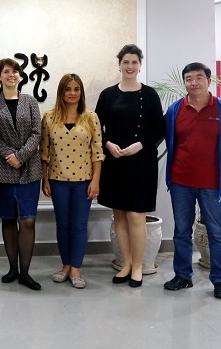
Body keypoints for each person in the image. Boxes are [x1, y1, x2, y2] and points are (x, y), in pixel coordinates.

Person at [163, 62, 221, 300]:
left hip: (212, 183)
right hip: (180, 181)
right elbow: (169, 139)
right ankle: (182, 276)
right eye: (189, 78)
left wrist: (215, 163)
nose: (193, 82)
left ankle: (220, 280)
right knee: (181, 231)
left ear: (209, 81)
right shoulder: (175, 110)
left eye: (199, 78)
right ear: (184, 82)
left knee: (216, 231)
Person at [96, 44, 165, 288]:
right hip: (115, 162)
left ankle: (137, 267)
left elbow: (159, 129)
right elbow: (96, 128)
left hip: (141, 162)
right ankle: (125, 264)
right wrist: (108, 144)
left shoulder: (150, 95)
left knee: (136, 215)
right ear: (119, 65)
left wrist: (140, 145)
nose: (130, 66)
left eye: (134, 62)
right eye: (126, 62)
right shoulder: (107, 95)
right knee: (120, 215)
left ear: (140, 65)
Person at [0, 58, 44, 290]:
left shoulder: (30, 101)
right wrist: (10, 155)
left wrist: (21, 156)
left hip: (29, 168)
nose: (11, 75)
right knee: (8, 219)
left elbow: (37, 132)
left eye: (15, 71)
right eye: (6, 71)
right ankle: (13, 269)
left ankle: (26, 273)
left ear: (20, 75)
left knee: (27, 220)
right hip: (2, 169)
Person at [40, 73, 104, 289]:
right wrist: (45, 180)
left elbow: (97, 153)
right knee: (63, 225)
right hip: (57, 180)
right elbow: (44, 152)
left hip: (84, 181)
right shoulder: (49, 118)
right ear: (61, 92)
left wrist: (95, 181)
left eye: (76, 89)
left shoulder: (91, 117)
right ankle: (65, 265)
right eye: (68, 89)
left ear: (81, 92)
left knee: (79, 226)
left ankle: (76, 267)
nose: (72, 93)